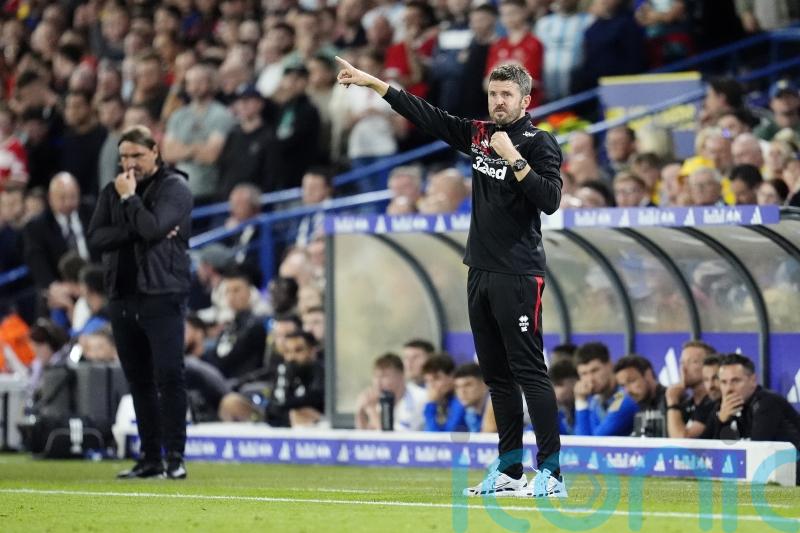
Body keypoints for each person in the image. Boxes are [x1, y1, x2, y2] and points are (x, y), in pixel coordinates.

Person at [335, 56, 565, 498]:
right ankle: (511, 469)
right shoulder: (479, 134)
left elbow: (550, 199)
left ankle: (551, 474)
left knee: (530, 372)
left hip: (518, 274)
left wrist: (514, 158)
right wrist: (372, 83)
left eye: (507, 95)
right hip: (478, 270)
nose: (498, 102)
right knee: (497, 377)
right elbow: (426, 115)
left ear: (525, 99)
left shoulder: (540, 142)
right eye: (494, 94)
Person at [87, 125, 193, 480]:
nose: (130, 163)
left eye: (137, 155)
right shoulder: (111, 190)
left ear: (155, 153)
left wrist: (131, 201)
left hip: (162, 293)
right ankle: (149, 459)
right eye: (124, 157)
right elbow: (96, 239)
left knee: (169, 376)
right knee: (139, 381)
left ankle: (175, 457)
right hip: (122, 295)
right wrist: (138, 226)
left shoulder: (175, 187)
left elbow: (154, 228)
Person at [700, 353, 800, 483]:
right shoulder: (723, 407)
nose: (729, 389)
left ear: (753, 380)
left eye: (735, 381)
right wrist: (720, 421)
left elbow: (757, 454)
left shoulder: (767, 403)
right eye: (724, 382)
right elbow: (701, 453)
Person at [573, 342, 638, 437]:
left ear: (610, 365)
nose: (590, 379)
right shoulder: (595, 400)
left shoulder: (622, 395)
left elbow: (593, 441)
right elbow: (581, 441)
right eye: (584, 374)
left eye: (595, 370)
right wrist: (581, 401)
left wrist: (580, 402)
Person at [613, 354, 667, 437]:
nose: (627, 391)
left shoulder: (672, 400)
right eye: (623, 385)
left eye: (631, 381)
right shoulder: (635, 405)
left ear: (648, 375)